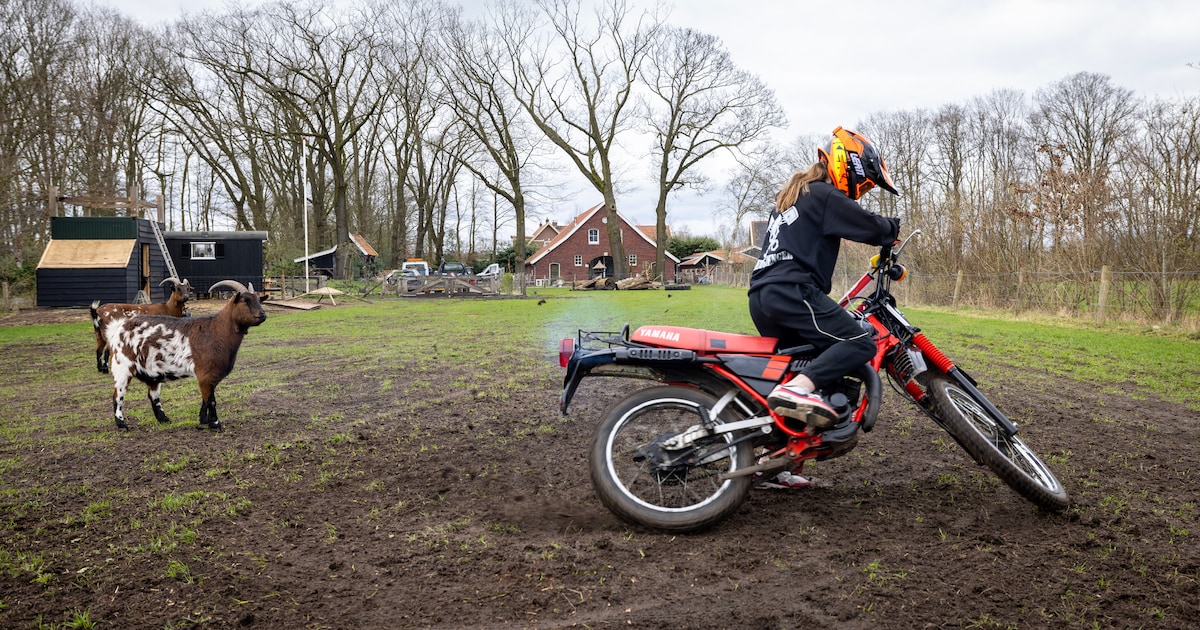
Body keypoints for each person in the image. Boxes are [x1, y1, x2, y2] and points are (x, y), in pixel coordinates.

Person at [749, 126, 900, 436]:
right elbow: (870, 226)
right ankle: (797, 390)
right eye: (864, 184)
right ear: (850, 166)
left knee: (803, 363)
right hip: (792, 292)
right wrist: (892, 229)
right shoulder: (823, 194)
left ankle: (774, 450)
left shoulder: (794, 196)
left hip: (763, 297)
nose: (860, 191)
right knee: (859, 343)